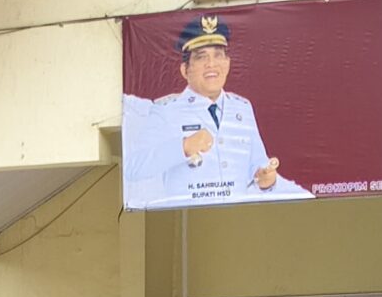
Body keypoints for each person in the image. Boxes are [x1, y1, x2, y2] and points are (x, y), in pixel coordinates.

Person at [123, 15, 312, 208]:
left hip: (239, 218)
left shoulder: (242, 108)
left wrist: (267, 180)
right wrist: (184, 147)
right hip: (189, 222)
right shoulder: (167, 111)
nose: (211, 64)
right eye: (201, 57)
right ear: (184, 69)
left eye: (218, 55)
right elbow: (132, 167)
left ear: (228, 63)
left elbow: (258, 166)